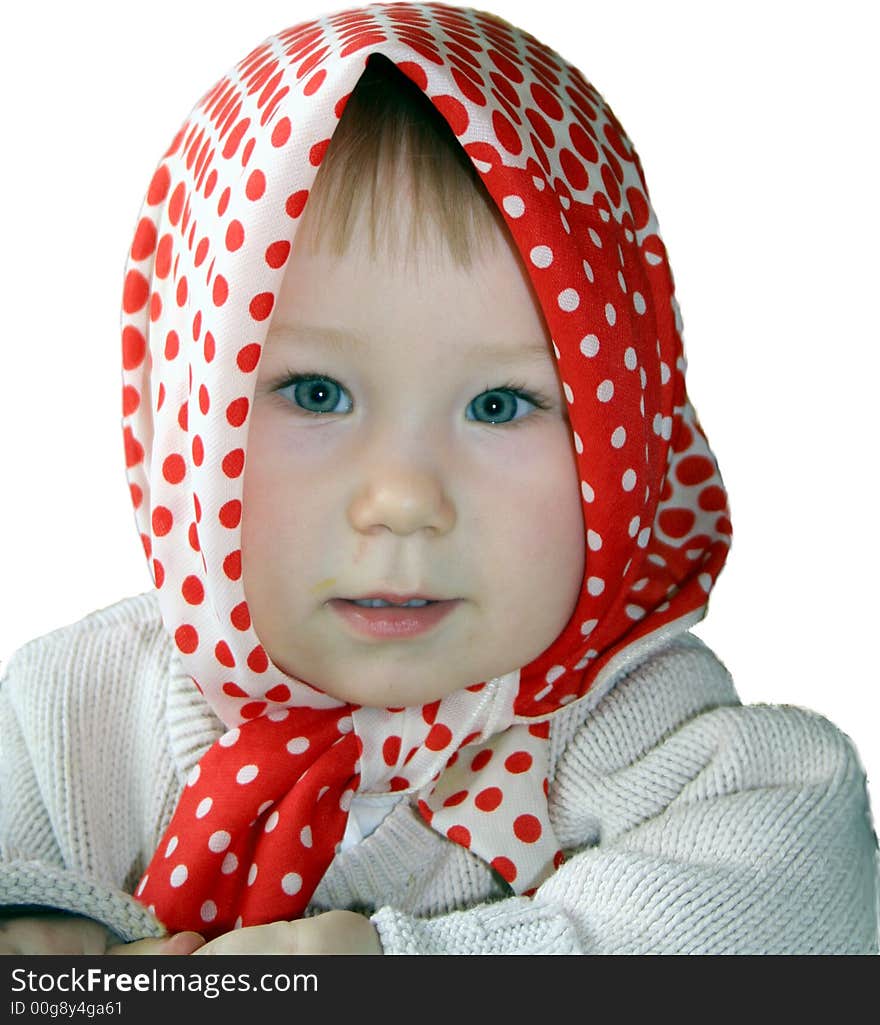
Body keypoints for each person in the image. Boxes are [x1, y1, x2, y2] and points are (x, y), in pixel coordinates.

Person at [0, 1, 877, 956]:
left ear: (625, 439)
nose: (406, 499)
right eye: (317, 391)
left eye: (499, 404)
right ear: (186, 411)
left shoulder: (620, 729)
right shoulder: (64, 717)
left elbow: (812, 908)